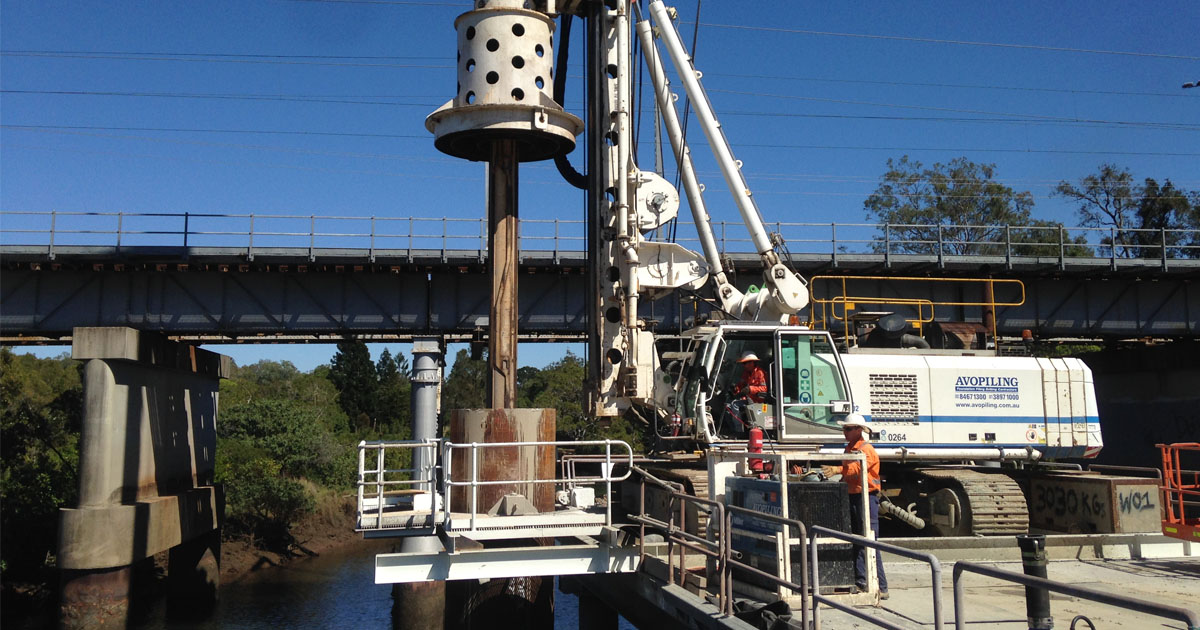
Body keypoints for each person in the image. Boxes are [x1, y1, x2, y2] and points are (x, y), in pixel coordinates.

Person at [833, 413, 889, 599]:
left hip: (866, 498)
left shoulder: (866, 450)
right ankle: (861, 580)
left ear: (859, 430)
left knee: (869, 541)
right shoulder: (850, 448)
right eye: (844, 429)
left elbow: (857, 468)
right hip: (855, 496)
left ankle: (880, 586)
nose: (845, 432)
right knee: (858, 540)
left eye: (848, 429)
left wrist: (838, 470)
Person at [725, 351, 767, 431]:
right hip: (748, 399)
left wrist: (750, 389)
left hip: (757, 401)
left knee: (735, 404)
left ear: (752, 363)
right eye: (743, 363)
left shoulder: (760, 373)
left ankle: (739, 431)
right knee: (728, 405)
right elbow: (741, 384)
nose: (744, 365)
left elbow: (764, 389)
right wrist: (736, 388)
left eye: (746, 363)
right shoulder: (746, 373)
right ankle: (732, 429)